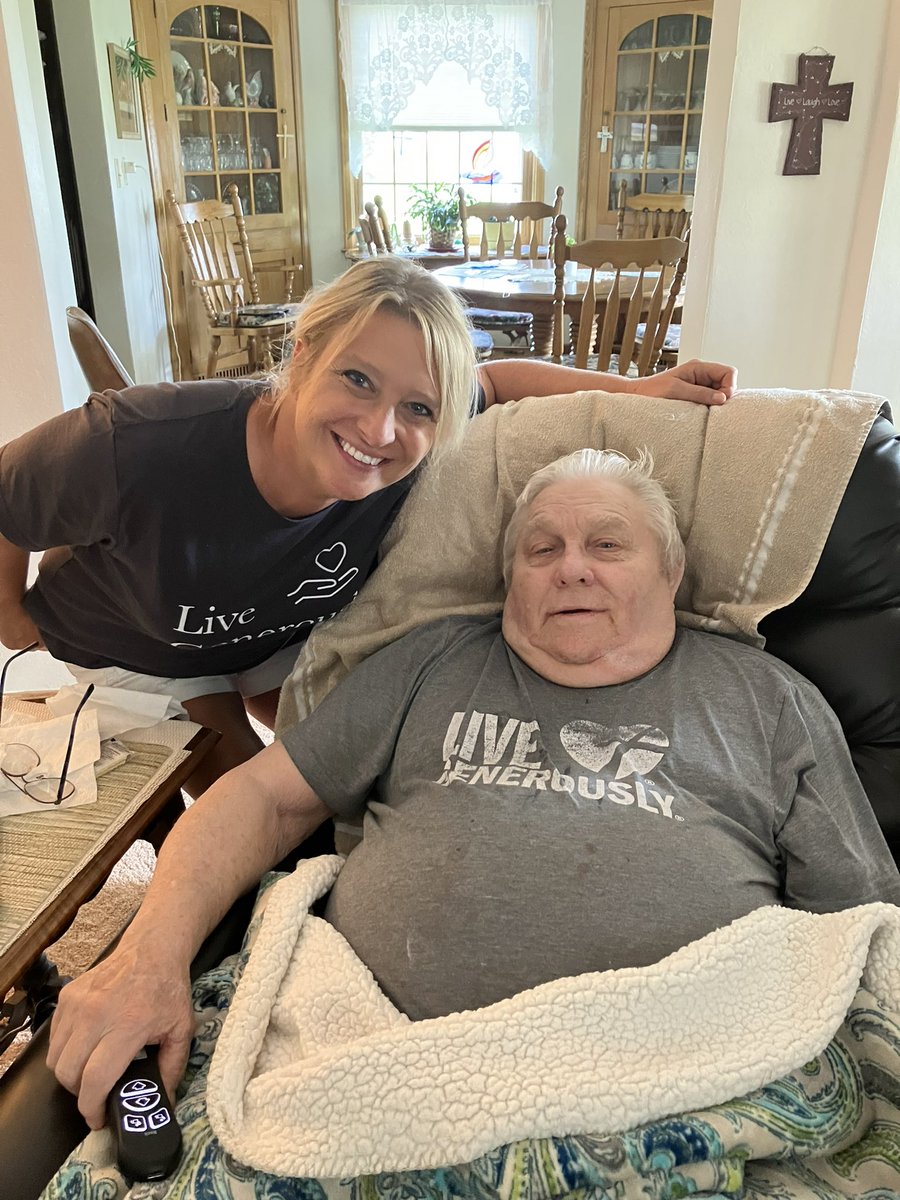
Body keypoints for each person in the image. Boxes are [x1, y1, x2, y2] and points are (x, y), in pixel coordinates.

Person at [47, 447, 900, 1129]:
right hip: (376, 1067)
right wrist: (147, 957)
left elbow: (859, 923)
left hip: (685, 1083)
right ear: (508, 582)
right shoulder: (434, 660)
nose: (571, 569)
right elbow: (260, 798)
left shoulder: (767, 698)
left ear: (671, 575)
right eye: (542, 549)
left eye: (607, 544)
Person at [0, 259, 735, 796]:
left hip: (272, 633)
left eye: (420, 408)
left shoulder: (410, 442)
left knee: (363, 785)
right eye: (356, 379)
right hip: (136, 646)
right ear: (302, 353)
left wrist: (642, 389)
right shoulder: (136, 443)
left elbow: (501, 380)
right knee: (248, 803)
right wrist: (9, 616)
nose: (380, 429)